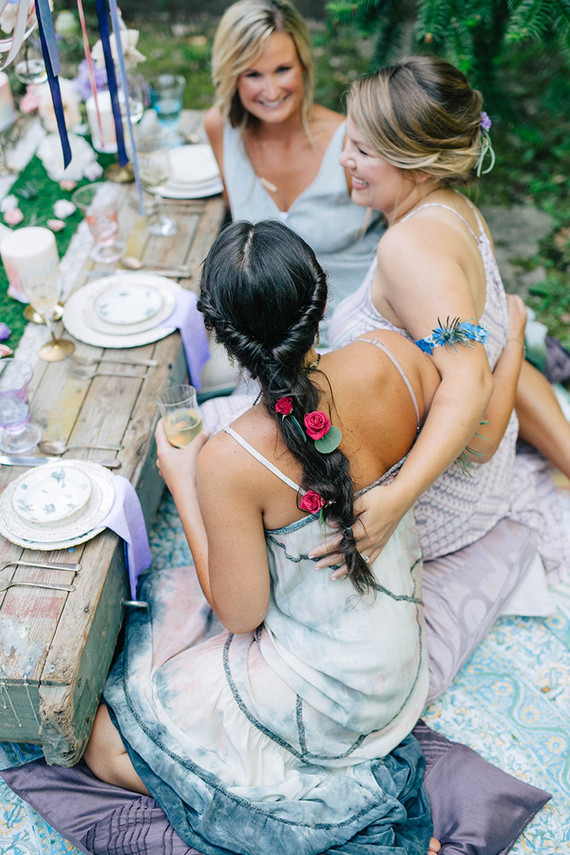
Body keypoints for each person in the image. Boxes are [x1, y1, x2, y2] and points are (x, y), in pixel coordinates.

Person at [84, 220, 443, 854]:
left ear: (222, 337)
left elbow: (240, 614)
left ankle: (331, 813)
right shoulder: (397, 357)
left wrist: (186, 481)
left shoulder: (229, 460)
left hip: (337, 701)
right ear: (321, 299)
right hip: (399, 665)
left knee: (105, 742)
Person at [319, 55, 570, 582]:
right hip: (471, 484)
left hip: (432, 511)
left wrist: (393, 501)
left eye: (363, 151)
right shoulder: (455, 207)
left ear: (422, 165)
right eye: (349, 140)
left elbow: (473, 401)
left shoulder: (410, 250)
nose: (344, 158)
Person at [204, 0, 384, 325]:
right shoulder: (221, 128)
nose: (271, 90)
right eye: (253, 74)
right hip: (272, 333)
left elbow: (408, 228)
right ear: (232, 75)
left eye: (282, 69)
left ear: (303, 65)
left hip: (362, 322)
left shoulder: (350, 141)